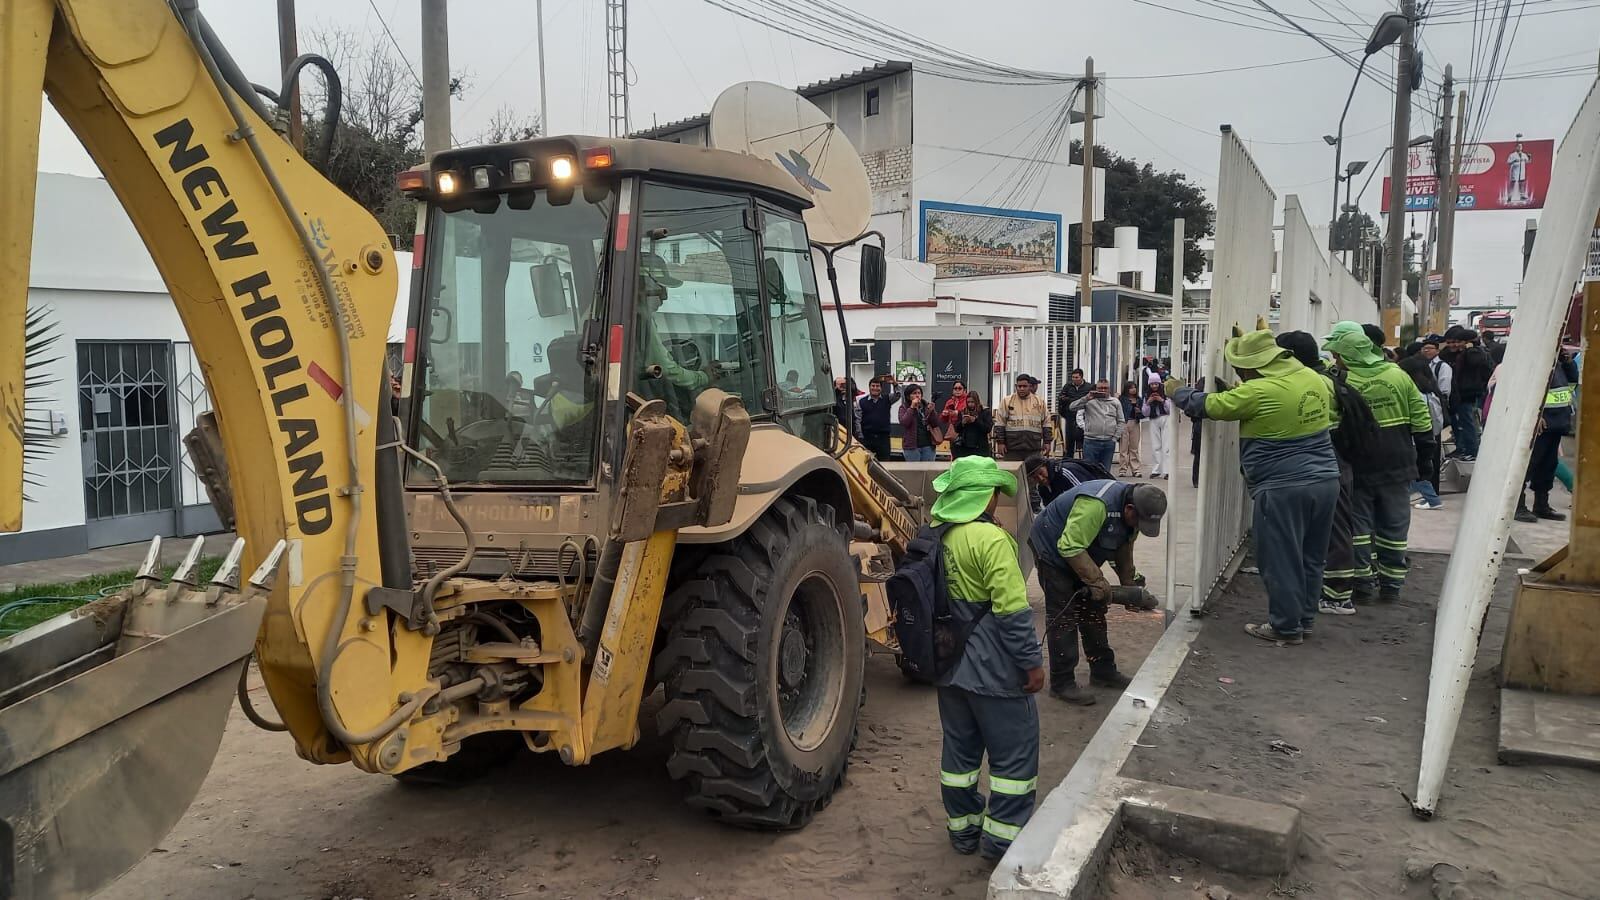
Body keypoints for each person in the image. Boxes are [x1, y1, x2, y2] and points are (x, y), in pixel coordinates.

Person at [1172, 329, 1340, 644]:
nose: (1240, 374)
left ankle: (1285, 627)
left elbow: (1209, 406)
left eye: (1241, 368)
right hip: (1326, 480)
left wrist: (1178, 391)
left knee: (1280, 558)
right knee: (1311, 555)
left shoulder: (1258, 392)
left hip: (1282, 487)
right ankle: (1303, 620)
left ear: (1254, 366)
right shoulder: (1313, 379)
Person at [927, 456, 1045, 861]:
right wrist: (1031, 663)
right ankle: (1002, 843)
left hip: (948, 669)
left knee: (958, 759)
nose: (997, 499)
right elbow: (1012, 613)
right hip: (994, 672)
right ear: (984, 495)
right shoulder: (991, 540)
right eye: (995, 492)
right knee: (1013, 761)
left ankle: (963, 832)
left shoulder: (935, 536)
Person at [1322, 322, 1433, 604]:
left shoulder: (1341, 381)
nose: (1334, 358)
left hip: (1359, 465)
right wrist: (1425, 458)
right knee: (1394, 525)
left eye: (1337, 354)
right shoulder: (1397, 375)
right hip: (1398, 463)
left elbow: (1332, 423)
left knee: (1358, 527)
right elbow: (1421, 417)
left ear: (1346, 355)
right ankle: (1392, 585)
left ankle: (1362, 583)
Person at [1029, 478, 1165, 703]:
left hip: (1080, 549)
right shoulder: (1096, 505)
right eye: (1138, 521)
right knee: (1064, 615)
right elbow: (1069, 545)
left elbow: (1124, 548)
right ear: (1129, 508)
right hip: (1052, 548)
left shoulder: (1133, 516)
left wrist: (1129, 586)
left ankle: (1102, 670)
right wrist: (1097, 582)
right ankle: (1062, 683)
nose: (1138, 527)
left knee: (1093, 608)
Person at [638, 252, 713, 420]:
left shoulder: (612, 315)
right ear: (643, 285)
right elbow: (668, 369)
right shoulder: (640, 320)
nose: (665, 296)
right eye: (659, 288)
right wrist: (703, 377)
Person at [1515, 350, 1579, 523]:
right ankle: (1517, 506)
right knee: (1528, 466)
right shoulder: (1534, 364)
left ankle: (1541, 505)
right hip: (1541, 426)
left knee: (1548, 467)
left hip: (1557, 423)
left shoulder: (1558, 365)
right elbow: (1524, 392)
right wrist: (1535, 415)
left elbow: (1573, 382)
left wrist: (1568, 362)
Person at [1398, 355, 1447, 510]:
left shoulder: (1412, 394)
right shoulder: (1430, 393)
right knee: (1415, 472)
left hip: (1413, 439)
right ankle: (1421, 498)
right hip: (1426, 437)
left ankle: (1432, 500)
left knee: (1414, 473)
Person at [1440, 326, 1493, 460]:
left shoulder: (1475, 352)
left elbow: (1475, 362)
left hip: (1468, 394)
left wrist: (1470, 349)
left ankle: (1472, 451)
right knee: (1458, 423)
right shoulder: (1449, 354)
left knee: (1468, 422)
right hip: (1455, 394)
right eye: (1450, 342)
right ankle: (1461, 448)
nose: (1454, 345)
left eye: (1457, 342)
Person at [1023, 453, 1116, 509]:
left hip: (1101, 500)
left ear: (1045, 466)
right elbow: (1051, 510)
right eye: (1035, 478)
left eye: (1041, 473)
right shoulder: (1042, 488)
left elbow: (1086, 497)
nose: (1041, 478)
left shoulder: (1064, 472)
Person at [994, 374, 1051, 462]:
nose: (1021, 389)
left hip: (1033, 448)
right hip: (1012, 448)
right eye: (1019, 386)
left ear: (1030, 386)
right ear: (1016, 386)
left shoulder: (1039, 402)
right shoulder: (1007, 401)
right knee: (1012, 471)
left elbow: (1046, 423)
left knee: (1034, 471)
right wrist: (1000, 443)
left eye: (1024, 386)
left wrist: (1047, 442)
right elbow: (1000, 423)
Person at [1070, 378, 1123, 470]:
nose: (1103, 390)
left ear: (1109, 389)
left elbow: (1121, 421)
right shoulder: (1089, 401)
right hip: (1091, 441)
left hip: (1108, 442)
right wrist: (1086, 398)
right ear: (1096, 388)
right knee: (1089, 471)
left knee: (1105, 471)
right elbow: (1072, 407)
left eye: (1105, 388)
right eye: (1100, 388)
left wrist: (1115, 438)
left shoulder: (1115, 402)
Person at [858, 375, 901, 461]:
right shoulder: (862, 401)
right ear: (869, 387)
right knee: (866, 462)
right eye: (873, 386)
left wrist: (894, 384)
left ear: (881, 388)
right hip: (867, 437)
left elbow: (898, 395)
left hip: (883, 438)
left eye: (877, 386)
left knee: (885, 462)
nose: (875, 388)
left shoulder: (887, 399)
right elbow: (858, 419)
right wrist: (860, 436)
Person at [899, 384, 941, 462]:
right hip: (912, 447)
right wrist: (912, 408)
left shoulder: (926, 406)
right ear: (908, 396)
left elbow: (935, 423)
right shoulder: (904, 407)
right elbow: (904, 422)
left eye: (919, 393)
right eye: (914, 393)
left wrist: (932, 412)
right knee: (914, 469)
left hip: (928, 445)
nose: (917, 395)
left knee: (928, 468)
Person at [1056, 369, 1091, 458]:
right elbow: (1061, 398)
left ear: (1081, 377)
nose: (1074, 379)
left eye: (1076, 377)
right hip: (1070, 416)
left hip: (1084, 418)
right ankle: (1068, 460)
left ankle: (1085, 461)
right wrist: (1071, 401)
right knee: (1070, 440)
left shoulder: (1088, 387)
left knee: (1084, 440)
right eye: (1073, 377)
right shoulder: (1067, 386)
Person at [950, 392, 994, 459]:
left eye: (972, 402)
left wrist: (975, 421)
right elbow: (956, 429)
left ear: (977, 401)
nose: (970, 404)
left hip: (980, 446)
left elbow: (988, 428)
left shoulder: (985, 412)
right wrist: (962, 423)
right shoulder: (963, 412)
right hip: (964, 446)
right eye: (968, 402)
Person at [1142, 382, 1172, 480]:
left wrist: (1162, 400)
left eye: (1156, 384)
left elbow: (1171, 409)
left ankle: (1167, 471)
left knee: (1167, 446)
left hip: (1165, 418)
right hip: (1153, 419)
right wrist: (1148, 402)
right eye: (1152, 384)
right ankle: (1156, 470)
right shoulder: (1147, 395)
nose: (1154, 386)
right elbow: (1145, 413)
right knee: (1155, 446)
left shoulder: (1166, 394)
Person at [1116, 381, 1144, 477]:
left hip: (1135, 423)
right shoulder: (1122, 399)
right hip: (1124, 422)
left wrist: (1139, 412)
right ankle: (1122, 469)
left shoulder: (1139, 400)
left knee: (1134, 447)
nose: (1133, 389)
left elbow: (1143, 414)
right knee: (1123, 448)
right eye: (1131, 388)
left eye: (1134, 387)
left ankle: (1135, 469)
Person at [1421, 336, 1453, 403]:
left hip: (1437, 403)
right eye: (1424, 348)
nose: (1426, 350)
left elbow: (1444, 390)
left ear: (1437, 351)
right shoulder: (1421, 364)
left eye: (1430, 348)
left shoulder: (1443, 366)